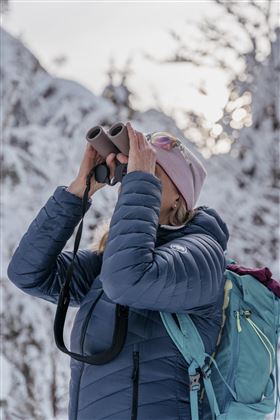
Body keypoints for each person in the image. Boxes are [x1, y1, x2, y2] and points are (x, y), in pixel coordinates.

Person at [7, 121, 230, 420]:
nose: (131, 179)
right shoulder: (111, 260)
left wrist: (140, 182)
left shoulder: (202, 253)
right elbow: (28, 272)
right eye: (130, 171)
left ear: (180, 196)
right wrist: (79, 190)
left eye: (149, 170)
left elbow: (127, 280)